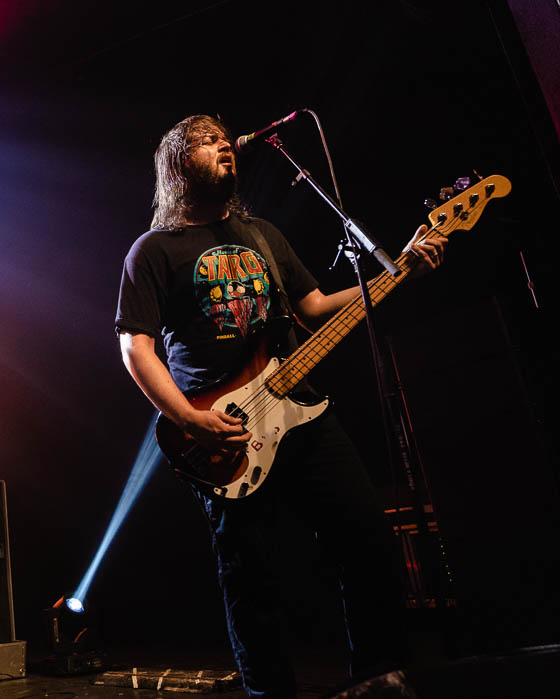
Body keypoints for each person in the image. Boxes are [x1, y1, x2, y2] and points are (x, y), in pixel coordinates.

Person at [115, 115, 446, 697]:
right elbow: (135, 344)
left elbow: (313, 307)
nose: (224, 144)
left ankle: (379, 681)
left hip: (305, 411)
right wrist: (189, 418)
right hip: (227, 430)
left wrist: (398, 272)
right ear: (178, 163)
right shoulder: (155, 250)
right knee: (253, 578)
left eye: (225, 138)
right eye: (207, 141)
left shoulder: (262, 234)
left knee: (368, 542)